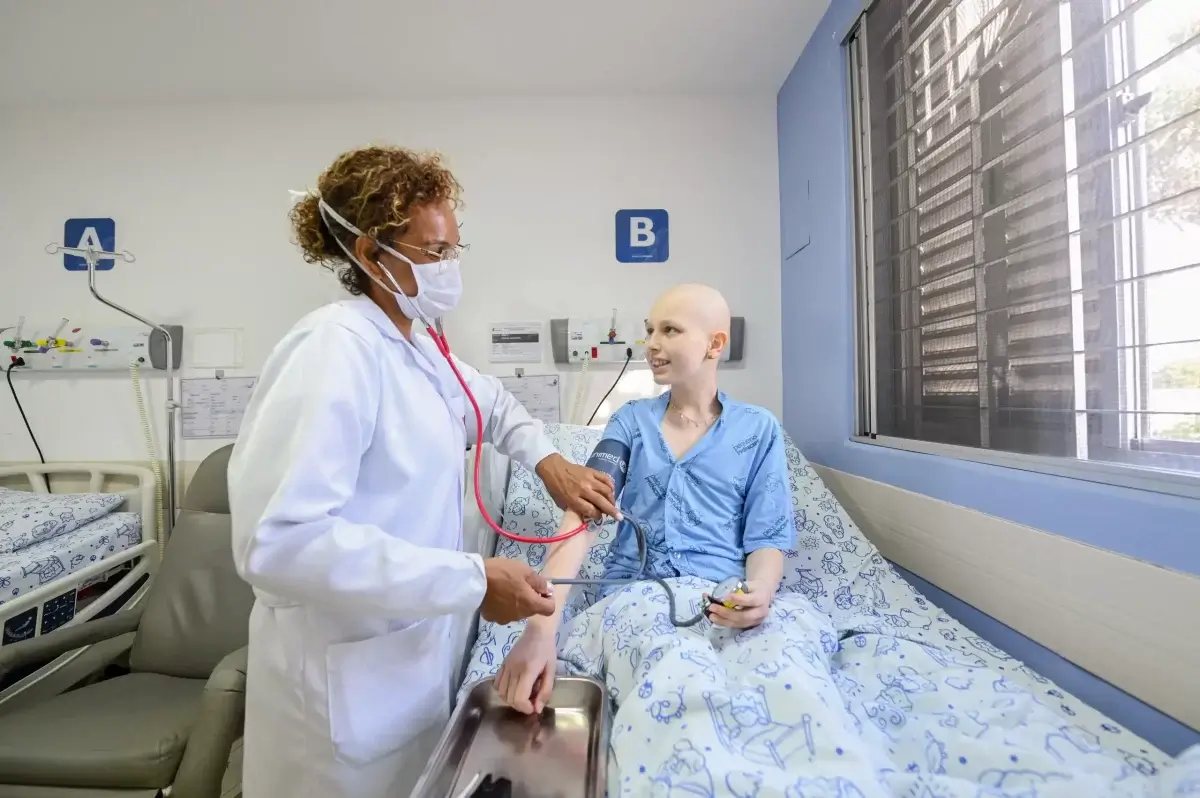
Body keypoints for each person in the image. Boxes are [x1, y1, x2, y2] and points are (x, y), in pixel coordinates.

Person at [227, 145, 618, 798]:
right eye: (435, 252)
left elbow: (488, 403)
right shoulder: (334, 351)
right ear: (374, 255)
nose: (451, 268)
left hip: (406, 672)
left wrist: (547, 459)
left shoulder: (416, 347)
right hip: (336, 697)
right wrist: (470, 580)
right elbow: (278, 543)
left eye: (454, 249)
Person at [494, 283, 795, 715]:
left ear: (715, 343)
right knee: (675, 687)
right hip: (637, 595)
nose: (651, 344)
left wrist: (760, 592)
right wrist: (544, 624)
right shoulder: (630, 423)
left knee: (780, 686)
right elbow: (583, 511)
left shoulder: (758, 430)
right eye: (649, 330)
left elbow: (767, 533)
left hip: (724, 600)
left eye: (670, 330)